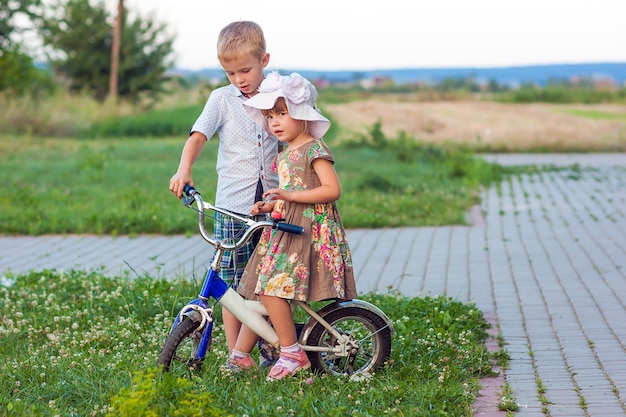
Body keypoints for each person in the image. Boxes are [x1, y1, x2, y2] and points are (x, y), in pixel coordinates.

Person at [229, 72, 358, 381]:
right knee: (260, 292)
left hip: (309, 233)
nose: (274, 122)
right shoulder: (285, 154)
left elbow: (330, 190)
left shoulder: (314, 149)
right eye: (270, 115)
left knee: (273, 290)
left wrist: (288, 195)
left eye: (282, 114)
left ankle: (291, 352)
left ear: (302, 114)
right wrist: (272, 205)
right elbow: (292, 195)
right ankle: (240, 355)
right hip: (287, 228)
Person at [168, 21, 279, 364]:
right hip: (234, 207)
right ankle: (237, 356)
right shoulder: (221, 99)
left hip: (275, 207)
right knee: (232, 286)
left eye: (245, 70)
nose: (239, 79)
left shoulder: (278, 94)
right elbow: (198, 135)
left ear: (265, 60)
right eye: (230, 73)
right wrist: (184, 168)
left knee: (270, 282)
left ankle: (272, 348)